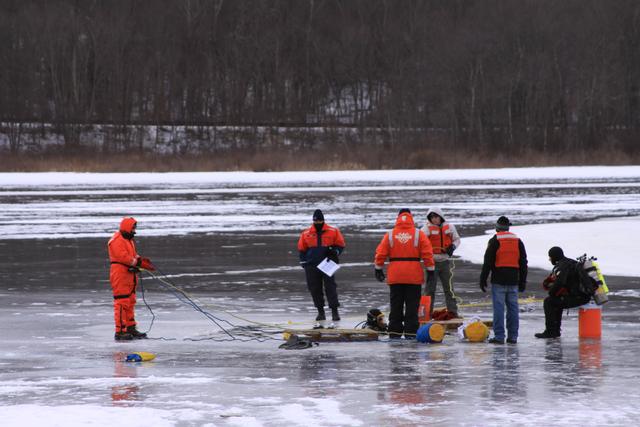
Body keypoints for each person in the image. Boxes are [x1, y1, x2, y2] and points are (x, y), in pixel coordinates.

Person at [374, 209, 435, 339]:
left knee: (396, 305)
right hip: (413, 276)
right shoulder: (418, 234)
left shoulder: (390, 234)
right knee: (412, 306)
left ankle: (395, 332)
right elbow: (427, 254)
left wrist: (378, 268)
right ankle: (411, 332)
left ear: (398, 217)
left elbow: (381, 253)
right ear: (411, 218)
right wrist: (430, 270)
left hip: (395, 276)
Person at [479, 216, 527, 344]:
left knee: (499, 309)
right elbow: (523, 263)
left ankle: (499, 337)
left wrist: (483, 279)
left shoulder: (495, 240)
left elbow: (487, 262)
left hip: (499, 280)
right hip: (513, 280)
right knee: (513, 309)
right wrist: (522, 281)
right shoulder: (518, 241)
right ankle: (513, 337)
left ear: (497, 227)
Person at [108, 217, 155, 341]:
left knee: (130, 301)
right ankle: (120, 331)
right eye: (133, 228)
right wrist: (138, 263)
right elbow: (124, 257)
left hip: (129, 274)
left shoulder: (129, 240)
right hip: (120, 274)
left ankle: (130, 327)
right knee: (122, 302)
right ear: (127, 228)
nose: (134, 231)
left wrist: (141, 261)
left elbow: (133, 256)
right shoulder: (117, 240)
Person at [298, 209, 346, 322]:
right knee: (314, 289)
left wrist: (335, 252)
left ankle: (335, 312)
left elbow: (340, 245)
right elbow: (301, 249)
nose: (318, 223)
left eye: (320, 221)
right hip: (311, 265)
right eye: (316, 221)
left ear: (323, 220)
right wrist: (303, 262)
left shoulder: (333, 231)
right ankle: (321, 312)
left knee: (331, 288)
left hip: (328, 264)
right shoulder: (306, 233)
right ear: (313, 221)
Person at [535, 246, 591, 339]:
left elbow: (560, 283)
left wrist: (551, 292)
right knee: (555, 301)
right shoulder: (568, 262)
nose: (549, 259)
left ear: (554, 256)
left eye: (550, 257)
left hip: (579, 297)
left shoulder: (562, 266)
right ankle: (555, 331)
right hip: (583, 295)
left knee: (549, 302)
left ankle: (551, 331)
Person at [421, 207, 461, 317]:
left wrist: (452, 246)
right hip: (431, 263)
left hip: (445, 262)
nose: (434, 219)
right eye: (432, 217)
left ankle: (453, 312)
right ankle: (426, 314)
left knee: (449, 289)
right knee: (429, 290)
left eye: (436, 217)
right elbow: (421, 242)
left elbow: (457, 240)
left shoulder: (450, 227)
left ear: (440, 216)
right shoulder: (426, 229)